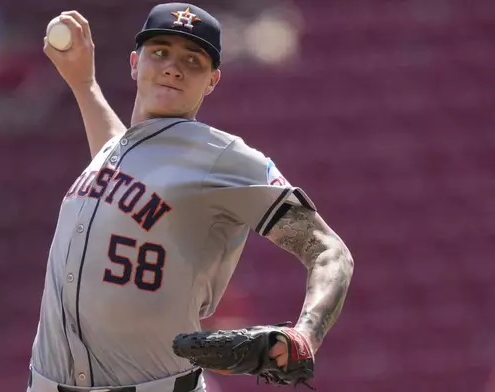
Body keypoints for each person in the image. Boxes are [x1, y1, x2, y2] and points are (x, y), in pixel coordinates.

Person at [28, 3, 354, 392]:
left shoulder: (221, 158)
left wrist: (306, 336)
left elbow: (329, 251)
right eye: (160, 52)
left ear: (212, 81)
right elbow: (127, 163)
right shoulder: (118, 155)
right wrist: (85, 85)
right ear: (135, 63)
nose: (173, 67)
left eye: (193, 60)